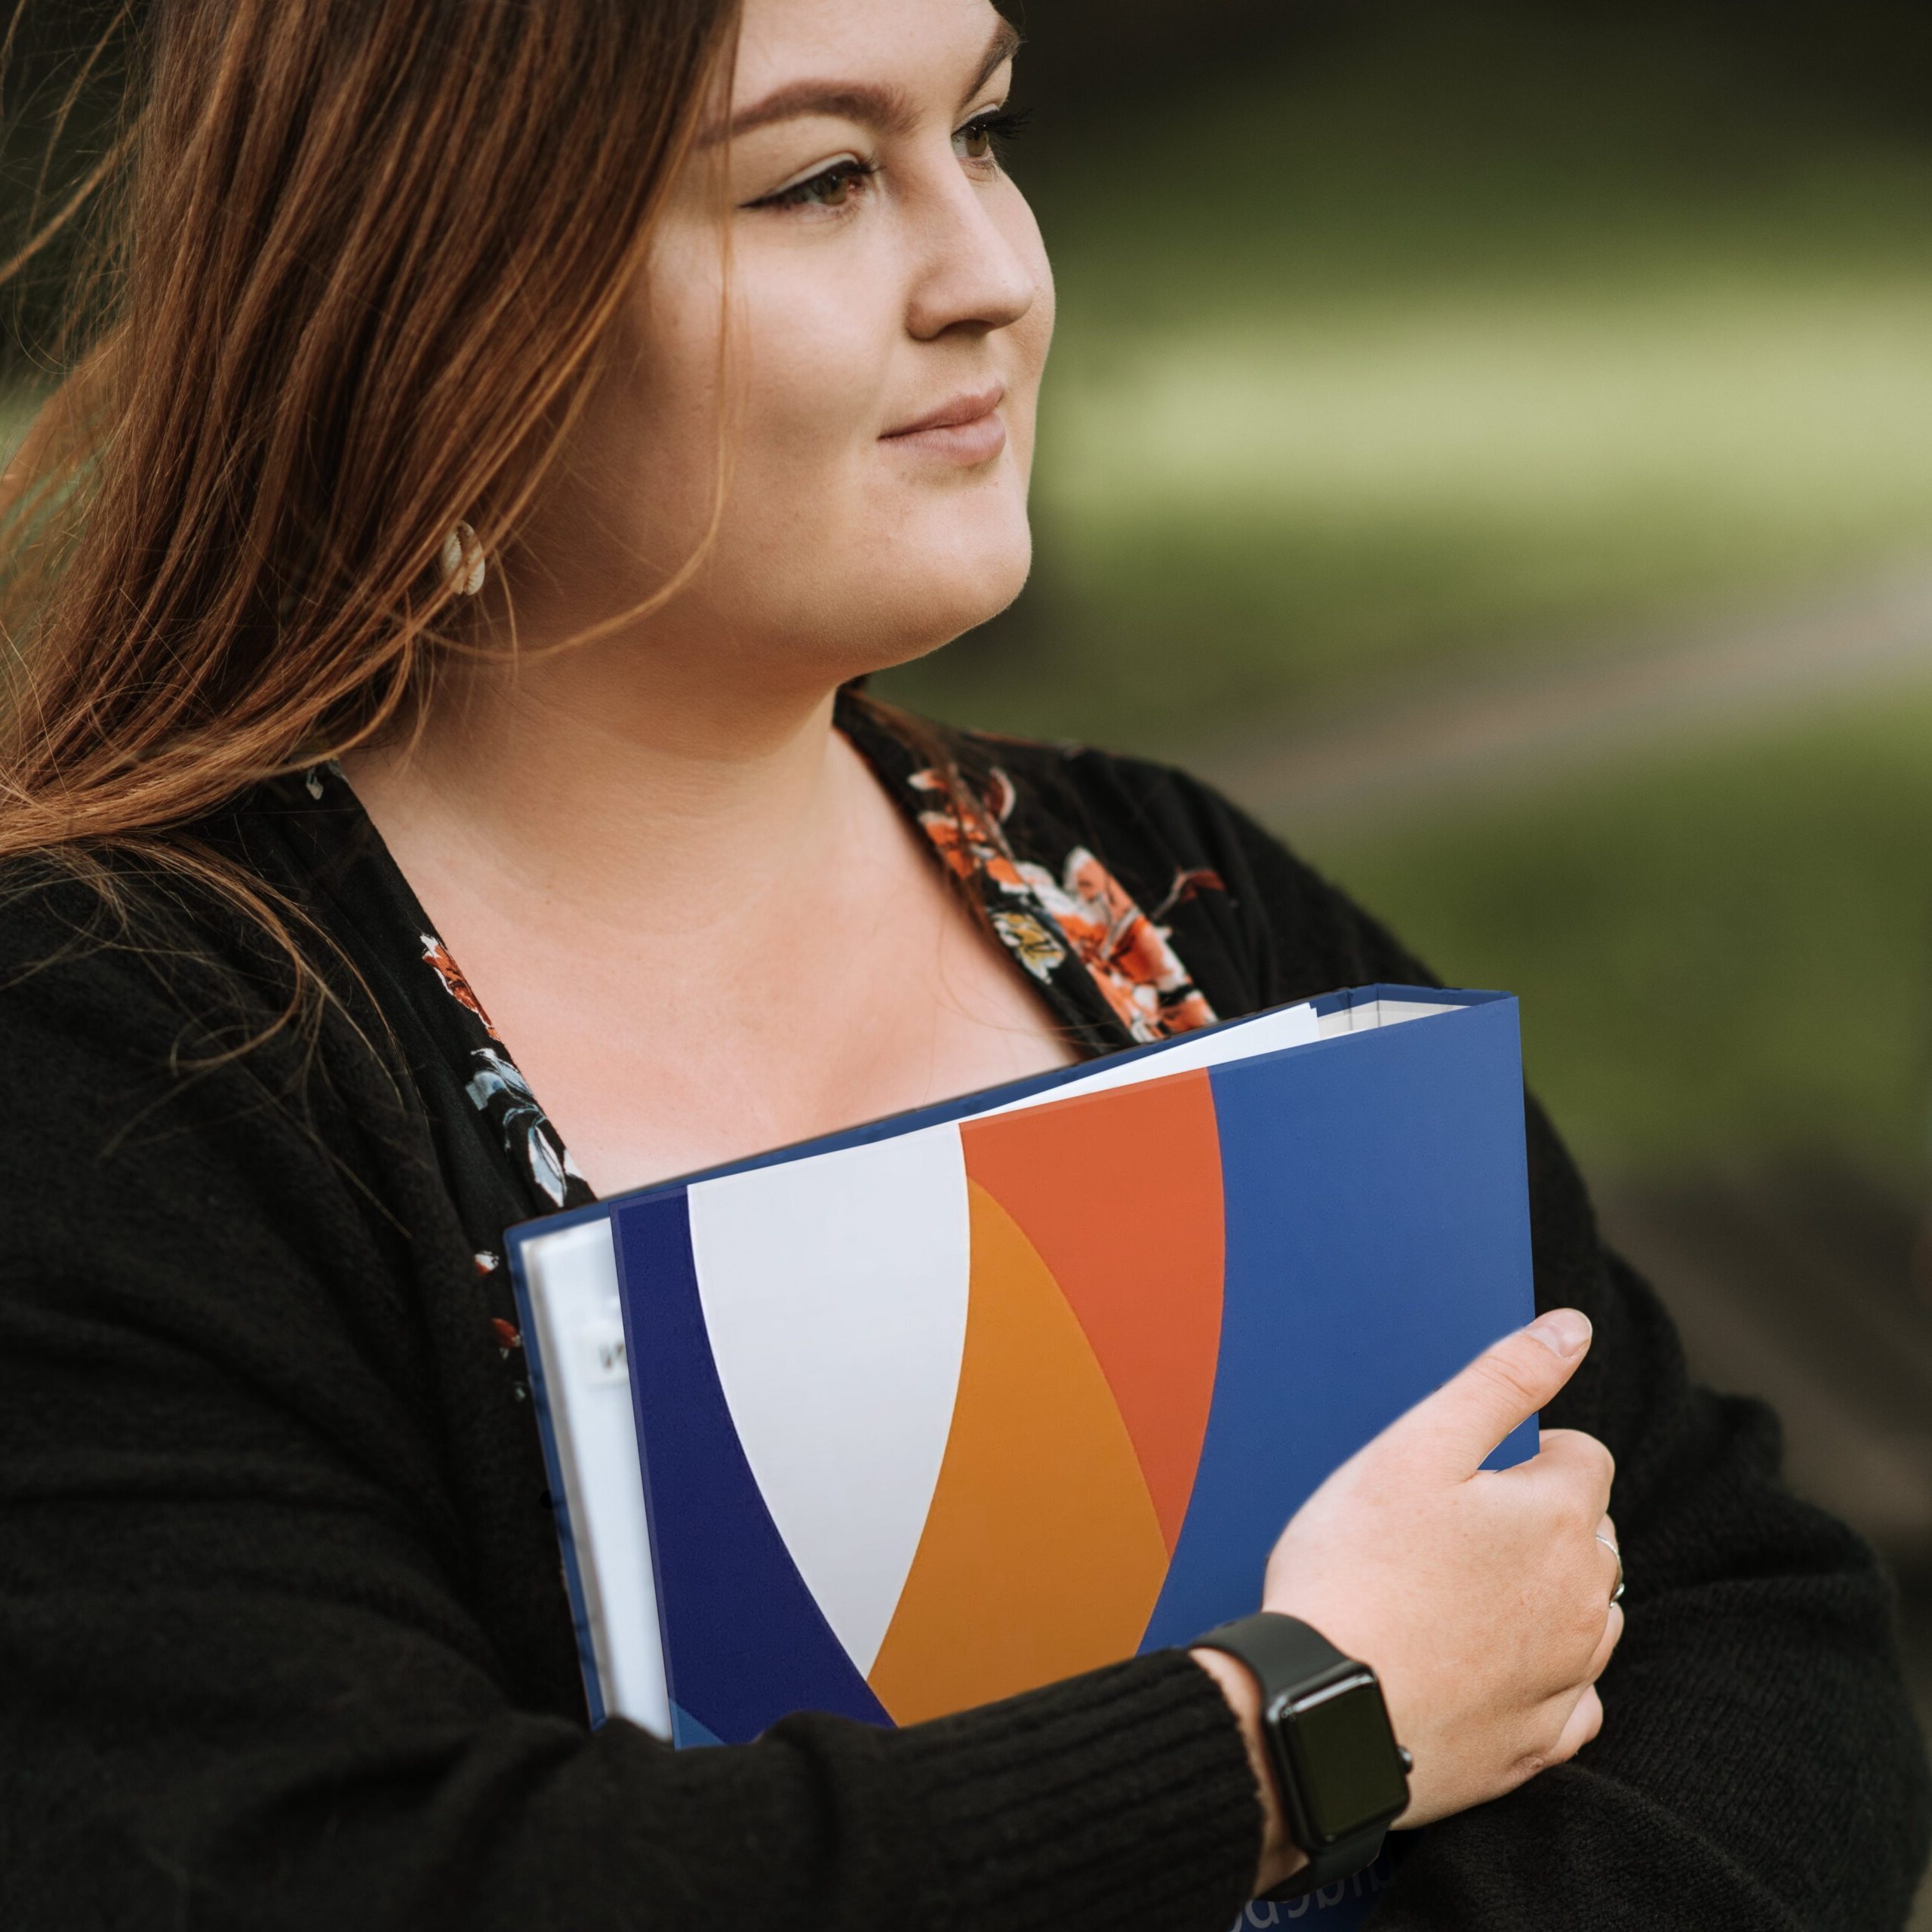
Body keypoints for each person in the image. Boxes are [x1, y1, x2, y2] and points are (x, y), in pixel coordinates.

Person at [0, 2, 1924, 1927]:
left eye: (984, 133)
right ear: (442, 298)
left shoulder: (1169, 900)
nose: (993, 274)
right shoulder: (130, 1054)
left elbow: (1753, 1634)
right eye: (820, 179)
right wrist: (1292, 1720)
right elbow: (360, 1869)